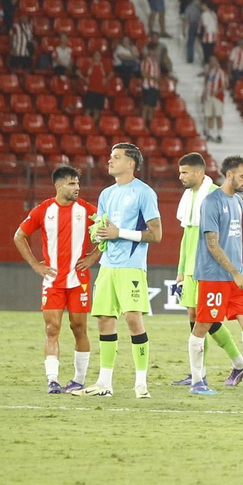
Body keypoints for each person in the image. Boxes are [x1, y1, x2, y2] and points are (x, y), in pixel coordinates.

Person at [184, 156, 243, 396]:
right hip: (214, 277)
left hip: (236, 278)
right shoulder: (211, 202)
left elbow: (238, 244)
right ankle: (196, 381)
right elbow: (212, 244)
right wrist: (234, 272)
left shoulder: (237, 202)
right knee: (202, 326)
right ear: (231, 175)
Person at [83, 143, 162, 399]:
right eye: (110, 157)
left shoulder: (144, 193)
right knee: (105, 320)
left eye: (116, 157)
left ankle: (141, 383)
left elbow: (156, 235)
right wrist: (98, 235)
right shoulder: (106, 194)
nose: (110, 161)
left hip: (131, 266)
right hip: (108, 266)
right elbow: (103, 229)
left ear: (131, 163)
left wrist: (120, 233)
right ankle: (104, 383)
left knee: (132, 319)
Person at [13, 166, 100, 393]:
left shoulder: (88, 210)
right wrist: (35, 263)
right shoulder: (43, 210)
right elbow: (19, 236)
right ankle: (53, 380)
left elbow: (107, 232)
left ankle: (79, 380)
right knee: (52, 328)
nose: (77, 188)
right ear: (59, 186)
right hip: (53, 280)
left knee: (79, 328)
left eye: (78, 184)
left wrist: (93, 256)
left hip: (79, 279)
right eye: (72, 184)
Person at [169, 152, 243, 388]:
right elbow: (187, 234)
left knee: (205, 318)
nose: (180, 176)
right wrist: (181, 270)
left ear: (198, 172)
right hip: (191, 268)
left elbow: (223, 238)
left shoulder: (215, 195)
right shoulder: (188, 196)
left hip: (209, 268)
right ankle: (208, 370)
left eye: (184, 172)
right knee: (195, 318)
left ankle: (226, 366)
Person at [201, 54, 228, 143]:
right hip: (208, 96)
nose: (211, 62)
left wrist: (217, 92)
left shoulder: (221, 72)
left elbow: (225, 85)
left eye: (213, 60)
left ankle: (219, 134)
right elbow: (207, 84)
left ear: (216, 61)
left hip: (217, 97)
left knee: (218, 115)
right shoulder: (210, 72)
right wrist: (204, 94)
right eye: (210, 61)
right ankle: (210, 133)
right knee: (209, 115)